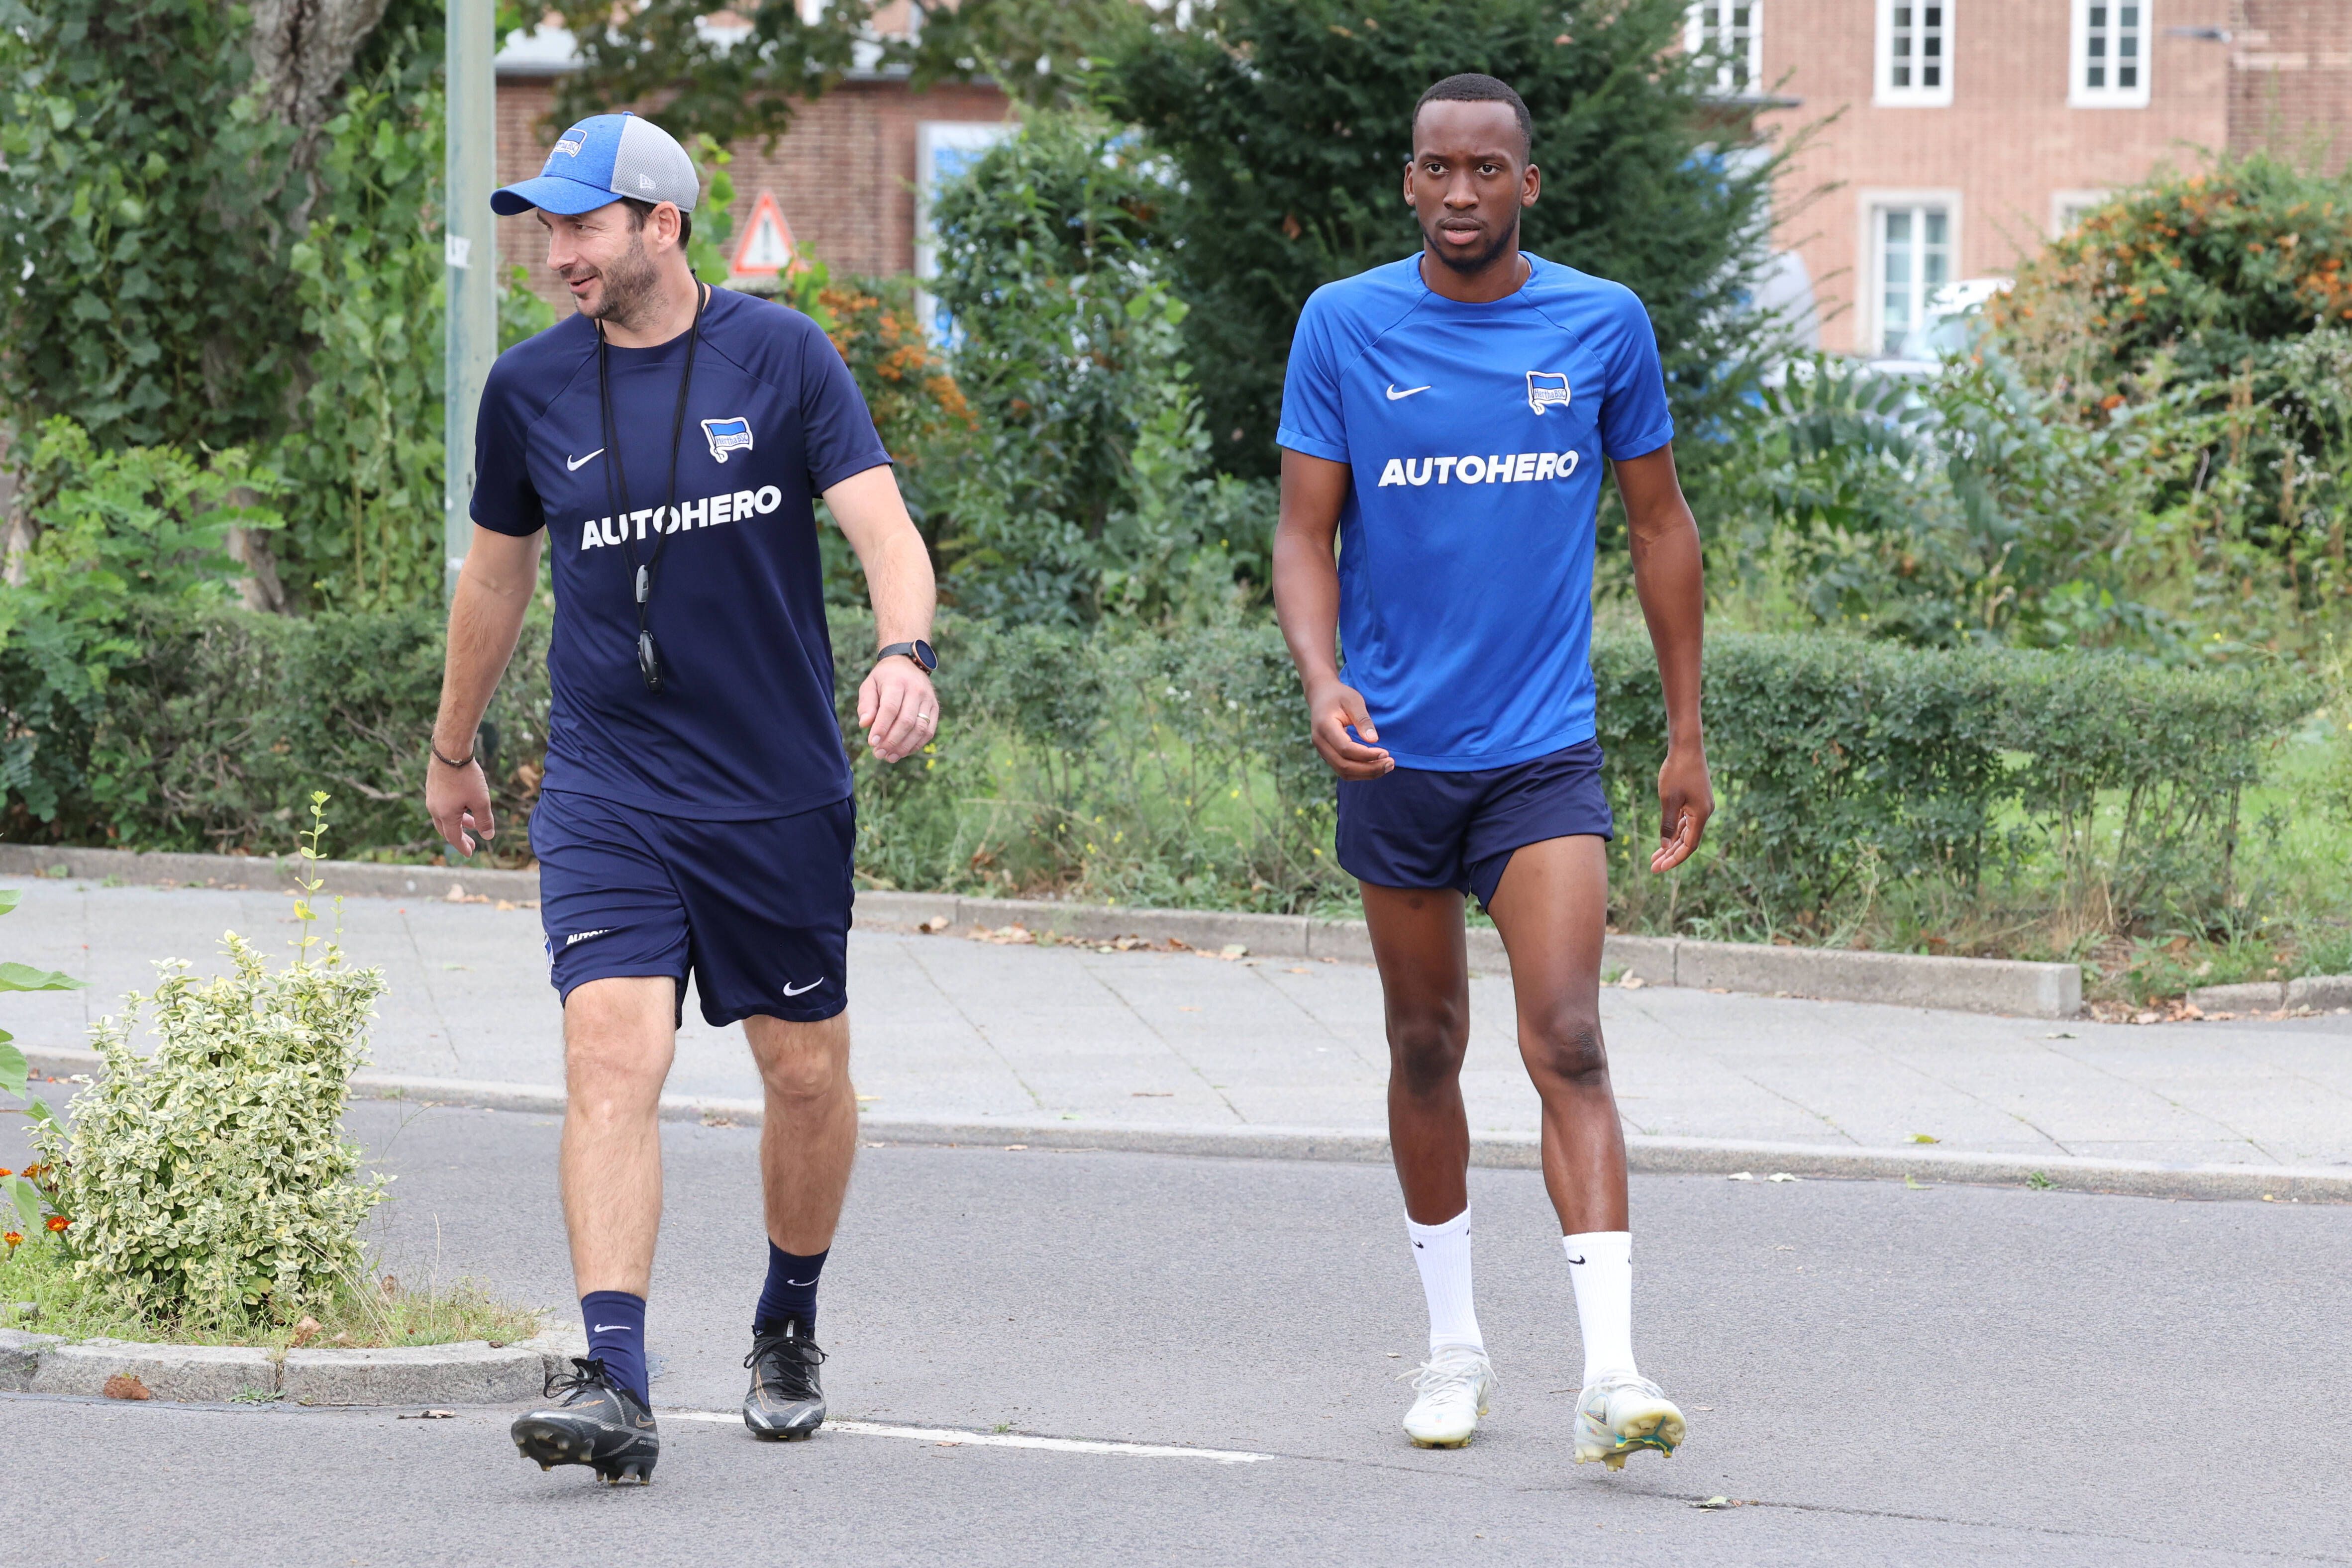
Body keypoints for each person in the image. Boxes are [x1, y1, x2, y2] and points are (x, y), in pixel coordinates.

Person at [425, 111, 940, 1484]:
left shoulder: (782, 356)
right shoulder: (528, 388)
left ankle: (787, 1318)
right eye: (544, 227)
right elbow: (494, 578)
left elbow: (885, 528)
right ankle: (615, 1379)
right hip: (609, 784)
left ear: (663, 224)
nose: (555, 255)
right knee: (610, 1055)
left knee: (805, 1073)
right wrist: (454, 743)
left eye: (582, 226)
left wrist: (906, 654)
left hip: (773, 787)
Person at [1271, 73, 1711, 1463]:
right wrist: (1322, 679)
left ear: (1530, 183)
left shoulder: (1600, 324)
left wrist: (1687, 731)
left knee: (1570, 1037)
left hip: (1541, 755)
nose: (1462, 192)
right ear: (1409, 184)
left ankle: (1613, 1374)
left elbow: (1659, 527)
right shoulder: (1344, 325)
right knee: (1425, 1046)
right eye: (1437, 170)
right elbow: (1301, 534)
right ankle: (1454, 1346)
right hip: (1393, 754)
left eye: (1488, 170)